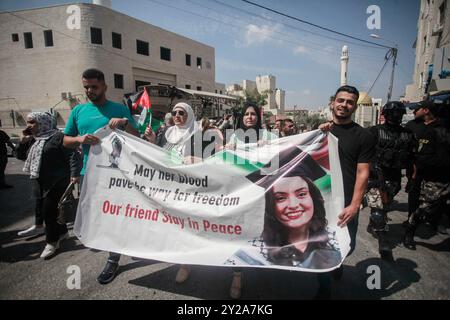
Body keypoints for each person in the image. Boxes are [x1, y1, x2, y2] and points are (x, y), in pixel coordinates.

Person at [63, 68, 139, 284]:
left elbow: (137, 137)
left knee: (113, 217)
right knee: (96, 216)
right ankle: (113, 245)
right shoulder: (78, 112)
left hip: (116, 175)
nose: (89, 91)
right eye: (86, 87)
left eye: (94, 87)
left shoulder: (118, 109)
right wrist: (79, 140)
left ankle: (113, 259)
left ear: (104, 86)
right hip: (90, 174)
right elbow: (65, 140)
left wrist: (124, 123)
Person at [231, 147, 341, 270]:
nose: (293, 205)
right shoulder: (252, 252)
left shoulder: (334, 241)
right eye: (280, 198)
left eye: (301, 194)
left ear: (313, 198)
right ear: (271, 205)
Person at [318, 85, 375, 299]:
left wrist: (354, 204)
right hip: (322, 199)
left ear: (354, 106)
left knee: (347, 244)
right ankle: (323, 289)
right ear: (333, 102)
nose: (344, 105)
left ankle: (337, 263)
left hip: (346, 202)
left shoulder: (364, 136)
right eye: (341, 100)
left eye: (349, 102)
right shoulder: (322, 130)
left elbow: (363, 172)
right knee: (322, 246)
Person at [144, 102, 204, 284]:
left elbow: (210, 160)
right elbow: (159, 154)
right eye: (175, 112)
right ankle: (182, 260)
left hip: (189, 188)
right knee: (173, 224)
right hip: (167, 186)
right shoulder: (166, 133)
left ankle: (188, 262)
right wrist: (153, 140)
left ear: (190, 115)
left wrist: (195, 159)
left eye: (182, 113)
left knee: (188, 225)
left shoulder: (198, 135)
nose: (177, 116)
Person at [224, 102, 277, 299]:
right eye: (246, 114)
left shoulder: (270, 137)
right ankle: (237, 276)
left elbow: (279, 161)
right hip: (240, 193)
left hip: (263, 194)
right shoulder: (233, 137)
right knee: (238, 234)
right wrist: (226, 150)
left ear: (258, 117)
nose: (249, 117)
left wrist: (268, 148)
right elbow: (224, 163)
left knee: (262, 233)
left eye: (253, 114)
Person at [22, 112, 81, 258]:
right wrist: (23, 142)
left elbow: (73, 154)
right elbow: (20, 156)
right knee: (54, 210)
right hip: (40, 181)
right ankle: (62, 233)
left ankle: (51, 242)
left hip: (57, 181)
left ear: (43, 122)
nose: (29, 126)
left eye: (32, 122)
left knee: (48, 212)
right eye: (28, 122)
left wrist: (74, 174)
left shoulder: (58, 137)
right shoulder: (34, 139)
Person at [365, 101, 414, 259]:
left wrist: (411, 178)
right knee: (378, 210)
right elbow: (364, 154)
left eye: (398, 113)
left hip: (394, 179)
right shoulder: (374, 131)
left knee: (384, 207)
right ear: (385, 114)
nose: (395, 116)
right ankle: (383, 242)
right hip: (375, 177)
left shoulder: (407, 134)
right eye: (392, 113)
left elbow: (411, 159)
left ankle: (374, 224)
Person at [403, 100, 450, 250]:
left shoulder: (442, 129)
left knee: (435, 205)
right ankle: (410, 231)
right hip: (424, 174)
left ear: (426, 111)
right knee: (423, 205)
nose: (415, 112)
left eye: (418, 109)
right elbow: (419, 154)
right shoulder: (418, 127)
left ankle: (434, 222)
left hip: (440, 175)